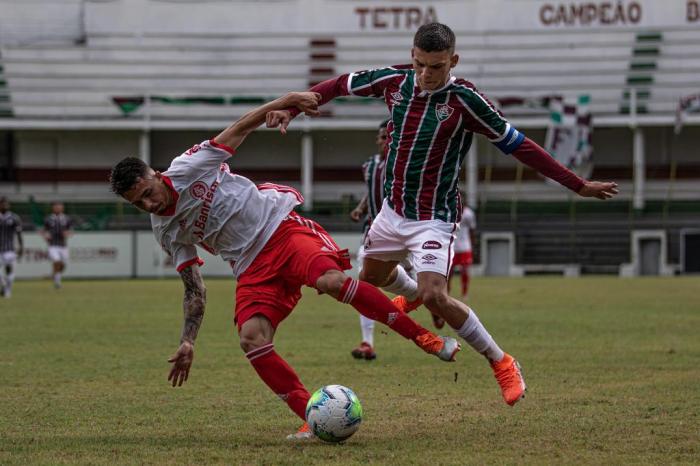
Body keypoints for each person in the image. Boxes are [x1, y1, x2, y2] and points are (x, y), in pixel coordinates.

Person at [266, 22, 619, 406]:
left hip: (434, 216)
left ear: (453, 60)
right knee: (370, 279)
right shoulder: (394, 81)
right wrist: (291, 109)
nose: (425, 74)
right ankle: (413, 293)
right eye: (419, 64)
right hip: (392, 212)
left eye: (435, 67)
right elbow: (337, 85)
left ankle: (502, 361)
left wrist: (576, 184)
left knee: (436, 296)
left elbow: (519, 146)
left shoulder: (467, 101)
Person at [108, 91, 460, 440]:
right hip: (249, 266)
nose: (149, 204)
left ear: (155, 174)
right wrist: (188, 341)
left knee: (332, 282)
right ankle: (313, 417)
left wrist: (287, 101)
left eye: (148, 193)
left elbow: (241, 126)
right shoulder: (165, 229)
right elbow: (194, 288)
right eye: (138, 203)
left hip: (280, 229)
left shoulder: (189, 166)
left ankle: (426, 339)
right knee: (251, 338)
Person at [349, 120, 443, 360]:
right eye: (379, 138)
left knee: (423, 285)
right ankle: (367, 343)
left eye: (385, 137)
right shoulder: (369, 165)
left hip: (407, 232)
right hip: (376, 234)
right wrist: (361, 208)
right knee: (366, 285)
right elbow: (371, 190)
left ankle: (434, 304)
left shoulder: (402, 165)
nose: (381, 141)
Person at [42, 202, 72, 289]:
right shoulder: (48, 219)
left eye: (60, 207)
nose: (58, 208)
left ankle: (54, 277)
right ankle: (57, 283)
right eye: (56, 207)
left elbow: (70, 230)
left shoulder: (67, 218)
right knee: (57, 261)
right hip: (53, 245)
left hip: (63, 245)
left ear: (62, 208)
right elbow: (43, 231)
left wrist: (67, 234)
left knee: (63, 265)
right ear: (53, 208)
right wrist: (46, 235)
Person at [449, 204, 476, 298]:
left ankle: (465, 293)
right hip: (452, 246)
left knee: (465, 271)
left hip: (465, 246)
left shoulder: (469, 214)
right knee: (449, 272)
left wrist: (472, 245)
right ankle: (447, 292)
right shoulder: (449, 210)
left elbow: (472, 230)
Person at [0, 197, 23, 298]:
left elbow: (19, 234)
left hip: (9, 249)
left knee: (9, 270)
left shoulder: (14, 217)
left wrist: (21, 247)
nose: (5, 205)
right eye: (2, 204)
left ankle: (7, 290)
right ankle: (4, 285)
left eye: (6, 204)